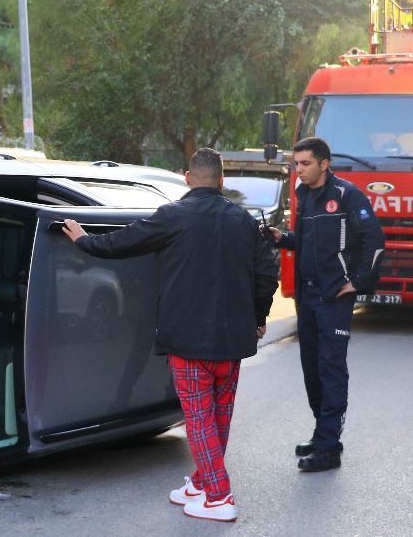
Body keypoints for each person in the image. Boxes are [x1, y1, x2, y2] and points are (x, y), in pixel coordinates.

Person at [62, 148, 278, 523]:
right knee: (219, 417)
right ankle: (199, 483)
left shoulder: (173, 216)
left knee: (198, 419)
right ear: (222, 180)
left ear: (187, 177)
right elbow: (267, 275)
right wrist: (258, 317)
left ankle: (218, 497)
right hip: (232, 341)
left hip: (188, 342)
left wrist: (83, 239)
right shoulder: (244, 221)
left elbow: (122, 243)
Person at [264, 136, 385, 472]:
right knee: (312, 372)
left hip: (333, 299)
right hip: (307, 297)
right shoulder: (304, 196)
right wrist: (281, 237)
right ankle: (324, 435)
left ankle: (328, 449)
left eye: (305, 164)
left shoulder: (347, 195)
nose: (298, 170)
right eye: (296, 164)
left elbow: (375, 240)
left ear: (324, 164)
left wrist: (357, 282)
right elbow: (304, 242)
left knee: (331, 371)